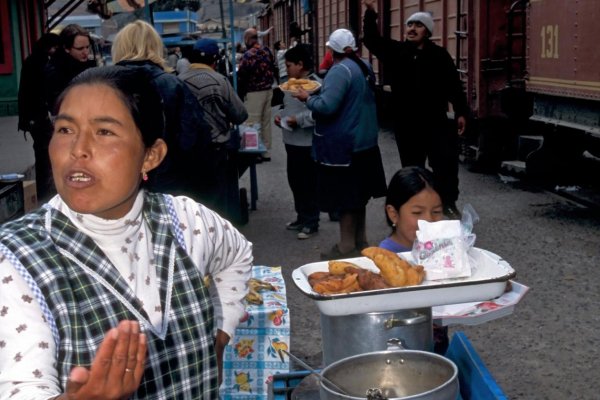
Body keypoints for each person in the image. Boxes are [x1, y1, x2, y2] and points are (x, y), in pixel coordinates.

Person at [0, 65, 253, 398]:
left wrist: (220, 332)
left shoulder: (186, 220)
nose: (78, 149)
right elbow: (21, 387)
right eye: (64, 129)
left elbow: (237, 254)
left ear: (150, 156)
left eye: (104, 132)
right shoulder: (16, 260)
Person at [363, 0, 470, 219]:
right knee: (413, 168)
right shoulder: (397, 52)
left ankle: (448, 204)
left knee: (445, 165)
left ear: (428, 31)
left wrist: (461, 112)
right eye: (409, 24)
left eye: (418, 25)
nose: (412, 28)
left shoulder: (440, 56)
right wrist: (371, 14)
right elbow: (372, 41)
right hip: (407, 123)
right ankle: (417, 208)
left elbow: (454, 86)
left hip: (435, 122)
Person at [294, 28, 387, 259]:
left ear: (331, 50)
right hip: (365, 142)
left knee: (347, 198)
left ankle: (345, 247)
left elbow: (327, 106)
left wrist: (308, 98)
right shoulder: (362, 65)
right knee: (360, 197)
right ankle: (361, 241)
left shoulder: (340, 70)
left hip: (345, 144)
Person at [111, 20, 212, 201]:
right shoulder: (172, 84)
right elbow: (194, 135)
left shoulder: (104, 85)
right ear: (155, 46)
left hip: (117, 178)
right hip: (168, 181)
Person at [378, 166, 454, 354]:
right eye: (417, 213)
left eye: (436, 212)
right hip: (398, 348)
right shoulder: (385, 258)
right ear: (393, 214)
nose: (428, 220)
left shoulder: (444, 249)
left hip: (436, 343)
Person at [178, 38, 249, 223]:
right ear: (215, 60)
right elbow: (240, 114)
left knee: (194, 198)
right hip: (217, 150)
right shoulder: (221, 81)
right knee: (219, 200)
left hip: (188, 152)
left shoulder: (177, 82)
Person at [274, 44, 321, 240]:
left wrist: (298, 120)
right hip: (290, 140)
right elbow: (286, 106)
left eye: (290, 65)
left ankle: (311, 220)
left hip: (307, 142)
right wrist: (281, 118)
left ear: (301, 65)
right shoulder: (287, 85)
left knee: (308, 183)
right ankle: (301, 216)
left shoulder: (317, 85)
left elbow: (320, 112)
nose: (287, 69)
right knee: (295, 181)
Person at [17, 33, 61, 201]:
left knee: (43, 155)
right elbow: (35, 93)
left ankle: (46, 193)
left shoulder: (34, 61)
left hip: (34, 118)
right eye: (54, 47)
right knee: (44, 157)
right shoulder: (41, 63)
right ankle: (46, 194)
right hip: (38, 118)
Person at [237, 27, 276, 161]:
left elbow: (241, 75)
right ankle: (266, 151)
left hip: (254, 92)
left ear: (247, 39)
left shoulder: (248, 55)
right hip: (268, 90)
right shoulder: (267, 51)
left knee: (252, 123)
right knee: (265, 122)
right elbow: (272, 66)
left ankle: (254, 152)